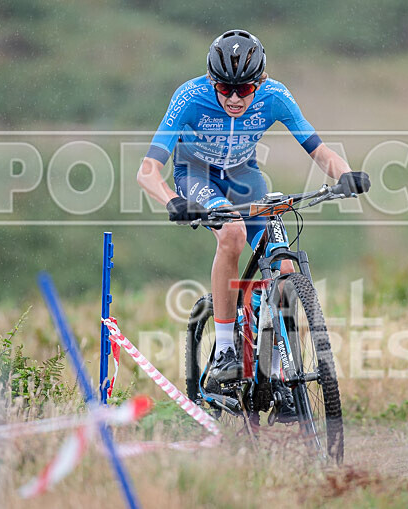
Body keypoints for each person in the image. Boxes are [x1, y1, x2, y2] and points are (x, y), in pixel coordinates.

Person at [136, 29, 370, 395]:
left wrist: (346, 175)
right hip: (196, 174)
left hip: (244, 176)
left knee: (286, 269)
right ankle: (226, 350)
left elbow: (320, 150)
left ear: (258, 83)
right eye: (224, 88)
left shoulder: (275, 96)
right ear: (211, 81)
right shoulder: (189, 98)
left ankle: (275, 374)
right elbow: (147, 170)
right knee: (232, 234)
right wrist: (172, 201)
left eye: (243, 89)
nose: (233, 98)